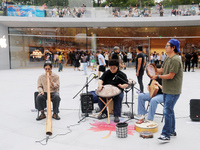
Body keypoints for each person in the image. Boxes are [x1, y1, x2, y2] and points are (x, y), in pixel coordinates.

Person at [152, 39, 183, 143]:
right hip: (166, 89)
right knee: (170, 111)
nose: (165, 47)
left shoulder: (175, 59)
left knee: (167, 111)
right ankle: (172, 131)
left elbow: (170, 75)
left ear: (173, 47)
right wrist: (152, 69)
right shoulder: (167, 58)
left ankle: (166, 134)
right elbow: (162, 70)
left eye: (167, 45)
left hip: (173, 91)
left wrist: (157, 76)